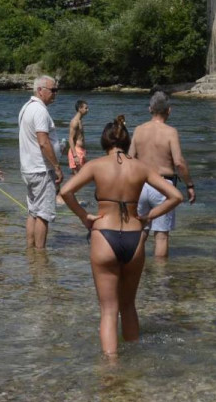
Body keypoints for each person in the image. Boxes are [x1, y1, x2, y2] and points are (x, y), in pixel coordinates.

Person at [60, 116, 183, 356]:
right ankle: (134, 366)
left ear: (104, 142)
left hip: (104, 235)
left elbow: (66, 191)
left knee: (108, 310)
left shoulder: (95, 165)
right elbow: (175, 196)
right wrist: (150, 216)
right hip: (134, 237)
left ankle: (111, 369)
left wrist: (84, 216)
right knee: (128, 306)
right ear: (127, 142)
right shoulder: (141, 167)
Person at [129, 91, 195, 258]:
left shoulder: (138, 130)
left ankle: (136, 271)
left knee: (140, 230)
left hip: (140, 185)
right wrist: (189, 185)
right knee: (161, 236)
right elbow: (179, 162)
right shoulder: (170, 132)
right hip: (163, 186)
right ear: (169, 110)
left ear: (150, 109)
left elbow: (130, 159)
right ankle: (159, 278)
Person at [18, 75, 63, 249]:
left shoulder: (26, 108)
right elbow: (43, 142)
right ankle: (40, 253)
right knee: (43, 214)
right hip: (41, 169)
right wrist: (57, 167)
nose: (55, 94)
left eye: (56, 90)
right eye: (53, 90)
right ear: (40, 90)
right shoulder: (40, 110)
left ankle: (31, 249)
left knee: (33, 212)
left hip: (29, 168)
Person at [68, 99, 89, 174]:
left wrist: (85, 150)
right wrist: (75, 156)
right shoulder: (75, 122)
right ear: (80, 108)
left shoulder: (80, 120)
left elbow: (81, 137)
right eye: (86, 108)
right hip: (76, 151)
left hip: (81, 150)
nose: (87, 110)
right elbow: (70, 139)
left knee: (82, 175)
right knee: (77, 176)